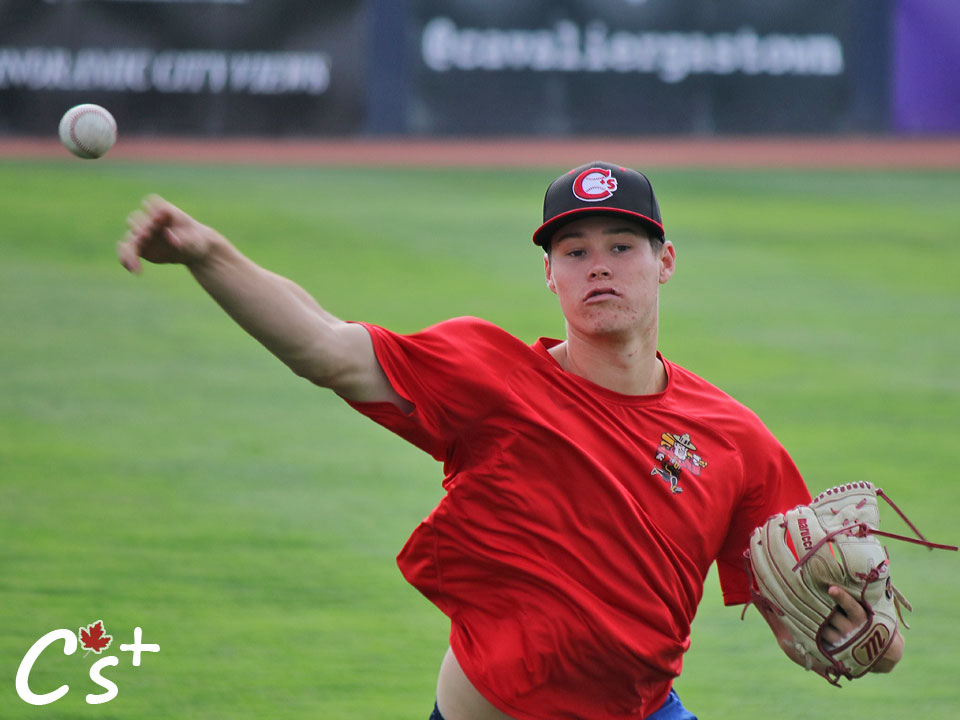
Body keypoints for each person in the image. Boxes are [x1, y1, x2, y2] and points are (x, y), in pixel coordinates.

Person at [118, 162, 903, 720]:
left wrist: (867, 639)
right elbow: (327, 347)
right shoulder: (490, 376)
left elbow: (803, 614)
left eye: (621, 246)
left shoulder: (735, 440)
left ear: (664, 263)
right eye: (575, 251)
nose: (599, 266)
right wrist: (207, 255)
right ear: (550, 278)